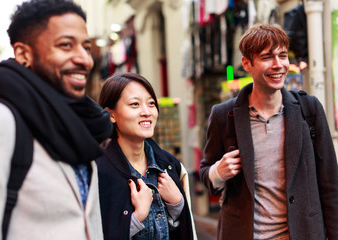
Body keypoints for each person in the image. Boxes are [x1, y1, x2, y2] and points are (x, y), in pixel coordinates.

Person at [0, 0, 113, 239]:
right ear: (23, 54)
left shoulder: (82, 129)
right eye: (66, 45)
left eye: (86, 47)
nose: (85, 60)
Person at [200, 24, 338, 240]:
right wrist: (218, 172)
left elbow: (330, 185)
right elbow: (206, 174)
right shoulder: (224, 115)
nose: (278, 65)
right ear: (247, 63)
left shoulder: (308, 109)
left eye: (282, 55)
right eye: (267, 57)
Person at [96, 72, 195, 240]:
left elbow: (184, 233)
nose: (146, 112)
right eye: (135, 104)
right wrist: (136, 218)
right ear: (111, 114)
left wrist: (177, 206)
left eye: (151, 103)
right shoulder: (97, 172)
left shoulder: (170, 165)